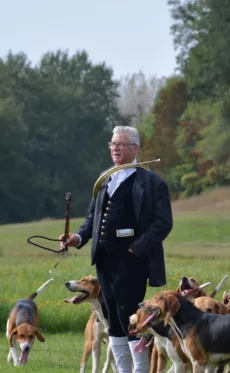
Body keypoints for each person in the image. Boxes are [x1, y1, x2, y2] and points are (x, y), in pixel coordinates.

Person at [60, 125, 173, 373]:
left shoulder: (151, 182)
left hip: (132, 262)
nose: (115, 148)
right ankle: (123, 370)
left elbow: (163, 223)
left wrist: (137, 248)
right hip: (104, 260)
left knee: (130, 316)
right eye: (112, 143)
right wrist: (77, 237)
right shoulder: (105, 179)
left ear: (135, 148)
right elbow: (93, 219)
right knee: (112, 317)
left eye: (121, 144)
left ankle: (140, 369)